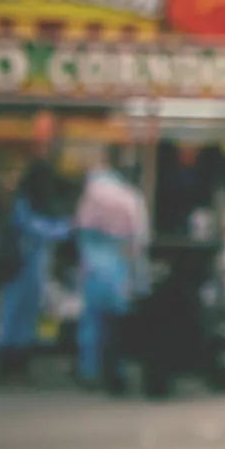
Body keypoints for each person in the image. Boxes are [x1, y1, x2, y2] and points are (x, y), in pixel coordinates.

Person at [73, 158, 150, 393]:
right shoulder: (130, 197)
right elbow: (140, 239)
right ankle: (117, 370)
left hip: (94, 269)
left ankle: (90, 370)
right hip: (119, 267)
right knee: (117, 324)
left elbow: (79, 230)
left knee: (92, 321)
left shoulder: (91, 195)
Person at [0, 162, 71, 380]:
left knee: (21, 312)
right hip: (20, 264)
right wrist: (66, 227)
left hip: (28, 265)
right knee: (17, 312)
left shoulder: (24, 201)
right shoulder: (23, 204)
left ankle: (15, 361)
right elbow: (36, 229)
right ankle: (11, 361)